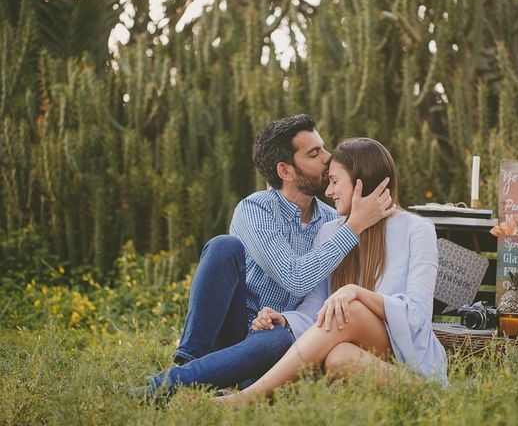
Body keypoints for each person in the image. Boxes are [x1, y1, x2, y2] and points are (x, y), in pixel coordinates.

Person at [139, 115, 395, 397]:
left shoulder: (333, 221)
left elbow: (323, 296)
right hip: (234, 329)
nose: (328, 157)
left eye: (323, 148)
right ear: (285, 170)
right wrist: (354, 226)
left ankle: (215, 381)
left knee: (278, 339)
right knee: (224, 247)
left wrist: (284, 319)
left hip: (276, 337)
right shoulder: (255, 210)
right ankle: (188, 363)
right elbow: (294, 278)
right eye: (314, 153)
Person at [216, 138, 448, 406]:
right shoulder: (331, 232)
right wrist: (286, 319)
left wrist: (356, 293)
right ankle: (424, 396)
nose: (328, 191)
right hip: (357, 350)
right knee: (339, 358)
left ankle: (246, 399)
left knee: (349, 307)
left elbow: (417, 315)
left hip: (403, 349)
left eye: (335, 181)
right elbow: (316, 307)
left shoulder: (417, 230)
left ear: (360, 181)